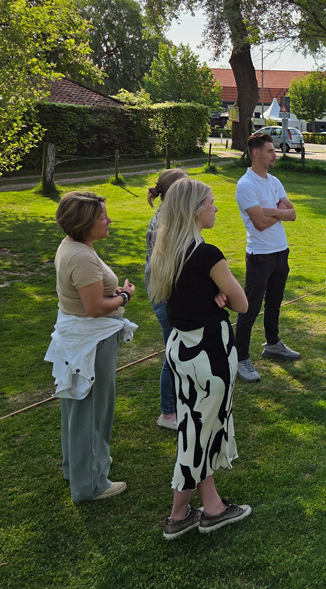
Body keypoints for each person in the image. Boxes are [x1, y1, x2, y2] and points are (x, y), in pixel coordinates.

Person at [149, 178, 252, 540]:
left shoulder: (166, 249)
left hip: (181, 349)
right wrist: (222, 293)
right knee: (198, 433)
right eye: (210, 202)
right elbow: (242, 303)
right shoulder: (207, 254)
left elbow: (186, 297)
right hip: (209, 354)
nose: (215, 207)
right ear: (195, 210)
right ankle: (178, 515)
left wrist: (215, 294)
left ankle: (212, 507)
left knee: (198, 428)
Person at [46, 191, 138, 503]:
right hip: (90, 342)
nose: (109, 220)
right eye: (102, 217)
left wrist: (114, 294)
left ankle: (77, 468)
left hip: (82, 339)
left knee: (78, 405)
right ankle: (91, 484)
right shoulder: (81, 256)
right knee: (94, 408)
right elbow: (96, 307)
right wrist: (124, 296)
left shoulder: (74, 246)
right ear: (84, 222)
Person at [235, 132, 300, 384]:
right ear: (256, 153)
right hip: (260, 255)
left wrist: (271, 211)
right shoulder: (246, 185)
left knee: (274, 302)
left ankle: (273, 344)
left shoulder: (274, 181)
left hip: (281, 251)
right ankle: (241, 358)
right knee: (250, 308)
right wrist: (278, 211)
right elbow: (260, 224)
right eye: (270, 151)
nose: (275, 154)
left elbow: (292, 213)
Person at [145, 169, 189, 430]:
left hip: (168, 292)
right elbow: (170, 267)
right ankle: (169, 413)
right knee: (173, 353)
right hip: (165, 294)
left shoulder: (173, 217)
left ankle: (177, 406)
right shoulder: (165, 223)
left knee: (177, 351)